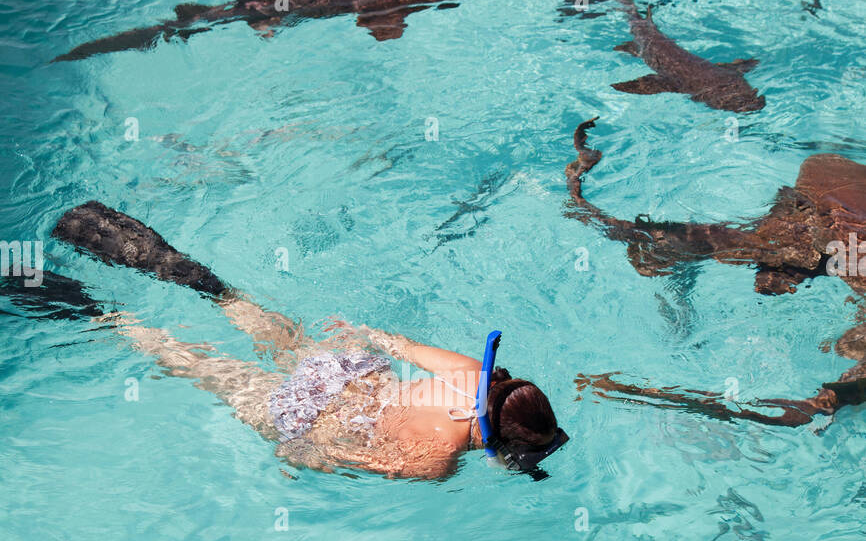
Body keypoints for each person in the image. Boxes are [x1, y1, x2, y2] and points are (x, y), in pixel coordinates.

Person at [53, 202, 568, 480]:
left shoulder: (473, 374)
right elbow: (348, 455)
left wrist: (360, 336)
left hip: (342, 369)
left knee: (239, 306)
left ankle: (188, 274)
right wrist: (299, 455)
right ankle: (97, 312)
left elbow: (394, 344)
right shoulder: (438, 459)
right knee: (193, 362)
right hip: (313, 412)